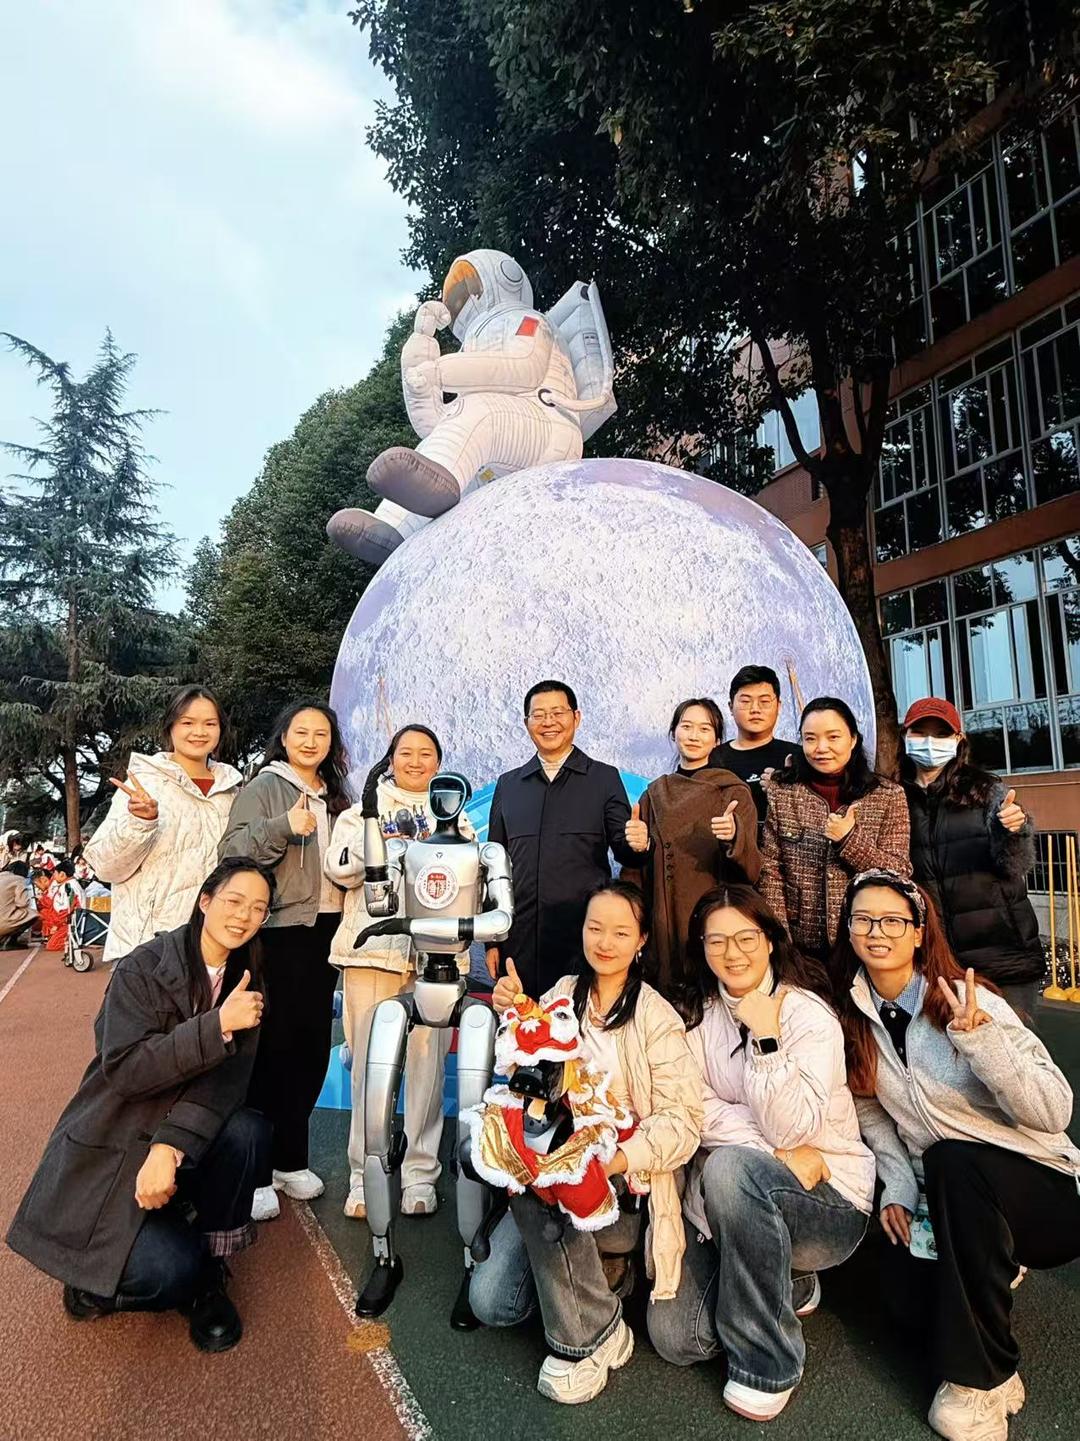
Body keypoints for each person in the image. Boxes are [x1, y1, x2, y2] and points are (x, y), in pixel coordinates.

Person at [833, 868, 1080, 1441]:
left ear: (920, 932)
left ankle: (976, 1382)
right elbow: (873, 1113)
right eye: (863, 920)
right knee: (906, 1307)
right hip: (946, 1196)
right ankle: (995, 1340)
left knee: (953, 1159)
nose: (876, 932)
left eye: (892, 920)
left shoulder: (970, 1002)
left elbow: (1054, 1110)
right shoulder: (854, 1019)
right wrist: (897, 1185)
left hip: (1044, 1192)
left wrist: (981, 1042)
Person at [6, 858, 275, 1354]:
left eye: (259, 909)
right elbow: (127, 1069)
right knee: (168, 1272)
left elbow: (227, 1083)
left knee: (248, 1131)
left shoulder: (248, 980)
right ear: (205, 900)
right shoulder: (144, 967)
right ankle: (95, 1282)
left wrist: (170, 1145)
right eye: (235, 901)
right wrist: (216, 1025)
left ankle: (210, 1269)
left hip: (176, 1136)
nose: (244, 916)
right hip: (117, 1136)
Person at [470, 880, 702, 1404]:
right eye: (595, 928)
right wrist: (518, 1009)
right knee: (494, 1303)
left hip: (621, 1181)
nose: (605, 942)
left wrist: (612, 1160)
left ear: (641, 940)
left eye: (620, 932)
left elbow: (685, 1122)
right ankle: (601, 1305)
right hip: (553, 1164)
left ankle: (582, 1342)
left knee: (555, 1182)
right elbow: (532, 1058)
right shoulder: (563, 993)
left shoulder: (655, 1016)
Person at [649, 885, 874, 1422]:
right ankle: (786, 1280)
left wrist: (767, 1039)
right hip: (737, 1194)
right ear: (701, 948)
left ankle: (766, 1363)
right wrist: (772, 1150)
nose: (733, 953)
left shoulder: (807, 1016)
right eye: (717, 940)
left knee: (729, 1168)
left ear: (770, 941)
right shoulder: (698, 1017)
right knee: (678, 1338)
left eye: (746, 938)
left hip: (828, 1198)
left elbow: (794, 1124)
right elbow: (695, 1110)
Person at [326, 723, 475, 1221]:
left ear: (439, 763)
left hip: (436, 958)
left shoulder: (455, 815)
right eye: (405, 752)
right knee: (371, 1068)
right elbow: (338, 867)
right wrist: (383, 841)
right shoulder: (361, 812)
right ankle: (363, 1174)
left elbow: (470, 876)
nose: (415, 761)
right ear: (390, 759)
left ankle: (420, 1174)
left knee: (427, 1068)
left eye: (426, 753)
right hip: (373, 952)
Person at [220, 699, 350, 1221]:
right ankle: (255, 1172)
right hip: (278, 934)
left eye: (322, 734)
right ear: (284, 736)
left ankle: (290, 1160)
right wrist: (282, 827)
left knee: (311, 1048)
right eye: (302, 732)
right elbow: (233, 851)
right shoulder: (266, 787)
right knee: (269, 1051)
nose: (311, 741)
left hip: (327, 933)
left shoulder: (336, 794)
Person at [486, 680, 638, 997]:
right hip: (521, 941)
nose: (549, 722)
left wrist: (639, 842)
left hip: (583, 937)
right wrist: (492, 940)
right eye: (539, 715)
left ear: (576, 717)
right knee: (522, 1022)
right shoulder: (509, 785)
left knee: (581, 1022)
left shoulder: (604, 778)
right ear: (526, 722)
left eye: (558, 712)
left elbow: (627, 852)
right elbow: (493, 867)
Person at [900, 697, 1043, 1017]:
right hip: (936, 962)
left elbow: (1016, 864)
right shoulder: (896, 798)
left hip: (1003, 958)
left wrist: (1014, 829)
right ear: (905, 737)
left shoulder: (986, 790)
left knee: (1010, 1046)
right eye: (920, 732)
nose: (930, 742)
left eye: (941, 734)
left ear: (958, 740)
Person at [83, 686, 242, 966]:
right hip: (149, 947)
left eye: (210, 723)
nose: (199, 732)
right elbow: (106, 867)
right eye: (187, 722)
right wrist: (140, 822)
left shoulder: (233, 792)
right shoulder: (144, 785)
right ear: (170, 728)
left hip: (215, 944)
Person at [622, 698, 759, 992]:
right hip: (663, 921)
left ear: (717, 740)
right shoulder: (654, 793)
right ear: (674, 733)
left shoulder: (732, 791)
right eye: (686, 727)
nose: (694, 735)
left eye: (704, 729)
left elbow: (752, 871)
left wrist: (734, 837)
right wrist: (640, 848)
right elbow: (635, 875)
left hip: (716, 918)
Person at [760, 696, 911, 962]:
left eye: (833, 737)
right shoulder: (783, 793)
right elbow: (771, 871)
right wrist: (782, 942)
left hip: (866, 941)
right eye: (810, 738)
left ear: (853, 740)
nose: (821, 748)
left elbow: (899, 872)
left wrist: (849, 840)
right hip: (801, 945)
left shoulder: (887, 795)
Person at [712, 666, 801, 827]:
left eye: (764, 702)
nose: (755, 709)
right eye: (745, 701)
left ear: (779, 706)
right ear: (731, 707)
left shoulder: (797, 756)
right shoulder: (714, 758)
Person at [0, 860, 35, 947]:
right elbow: (22, 903)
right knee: (33, 914)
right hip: (3, 922)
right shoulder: (18, 879)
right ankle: (10, 941)